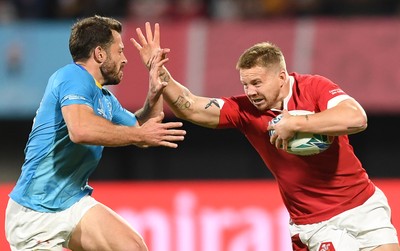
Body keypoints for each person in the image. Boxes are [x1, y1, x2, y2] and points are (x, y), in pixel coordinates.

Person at [132, 22, 400, 251]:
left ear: (282, 76)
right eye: (245, 84)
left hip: (364, 204)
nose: (250, 91)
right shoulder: (245, 111)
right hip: (316, 223)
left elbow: (357, 118)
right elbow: (189, 105)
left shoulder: (314, 87)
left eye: (257, 83)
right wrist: (159, 72)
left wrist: (296, 122)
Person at [5, 16, 186, 251]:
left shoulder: (105, 99)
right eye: (119, 51)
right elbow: (80, 130)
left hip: (72, 202)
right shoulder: (72, 76)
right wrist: (140, 136)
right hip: (34, 214)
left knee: (133, 247)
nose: (125, 59)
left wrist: (156, 80)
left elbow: (146, 129)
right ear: (100, 54)